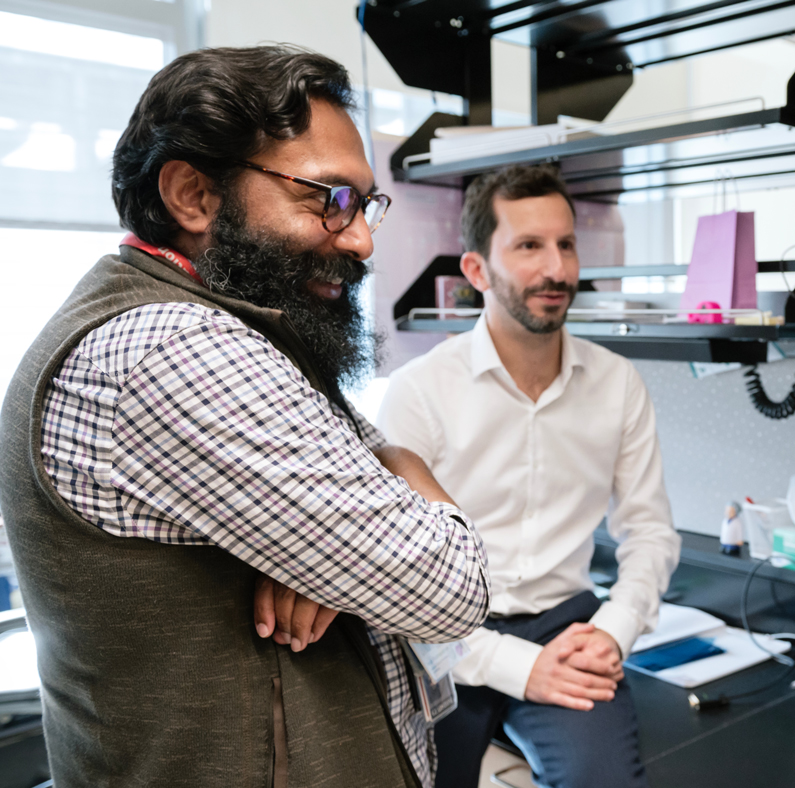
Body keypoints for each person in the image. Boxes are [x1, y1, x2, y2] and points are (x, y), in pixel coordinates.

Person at [0, 46, 490, 787]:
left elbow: (366, 468)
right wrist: (397, 484)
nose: (360, 238)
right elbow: (451, 588)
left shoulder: (236, 327)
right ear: (193, 194)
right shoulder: (173, 348)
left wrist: (343, 544)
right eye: (325, 198)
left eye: (364, 203)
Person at [377, 164, 681, 788]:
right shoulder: (420, 392)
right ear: (477, 271)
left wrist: (613, 635)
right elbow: (399, 579)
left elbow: (650, 533)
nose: (558, 270)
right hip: (447, 629)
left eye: (566, 244)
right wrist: (520, 666)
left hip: (568, 624)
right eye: (529, 247)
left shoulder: (618, 383)